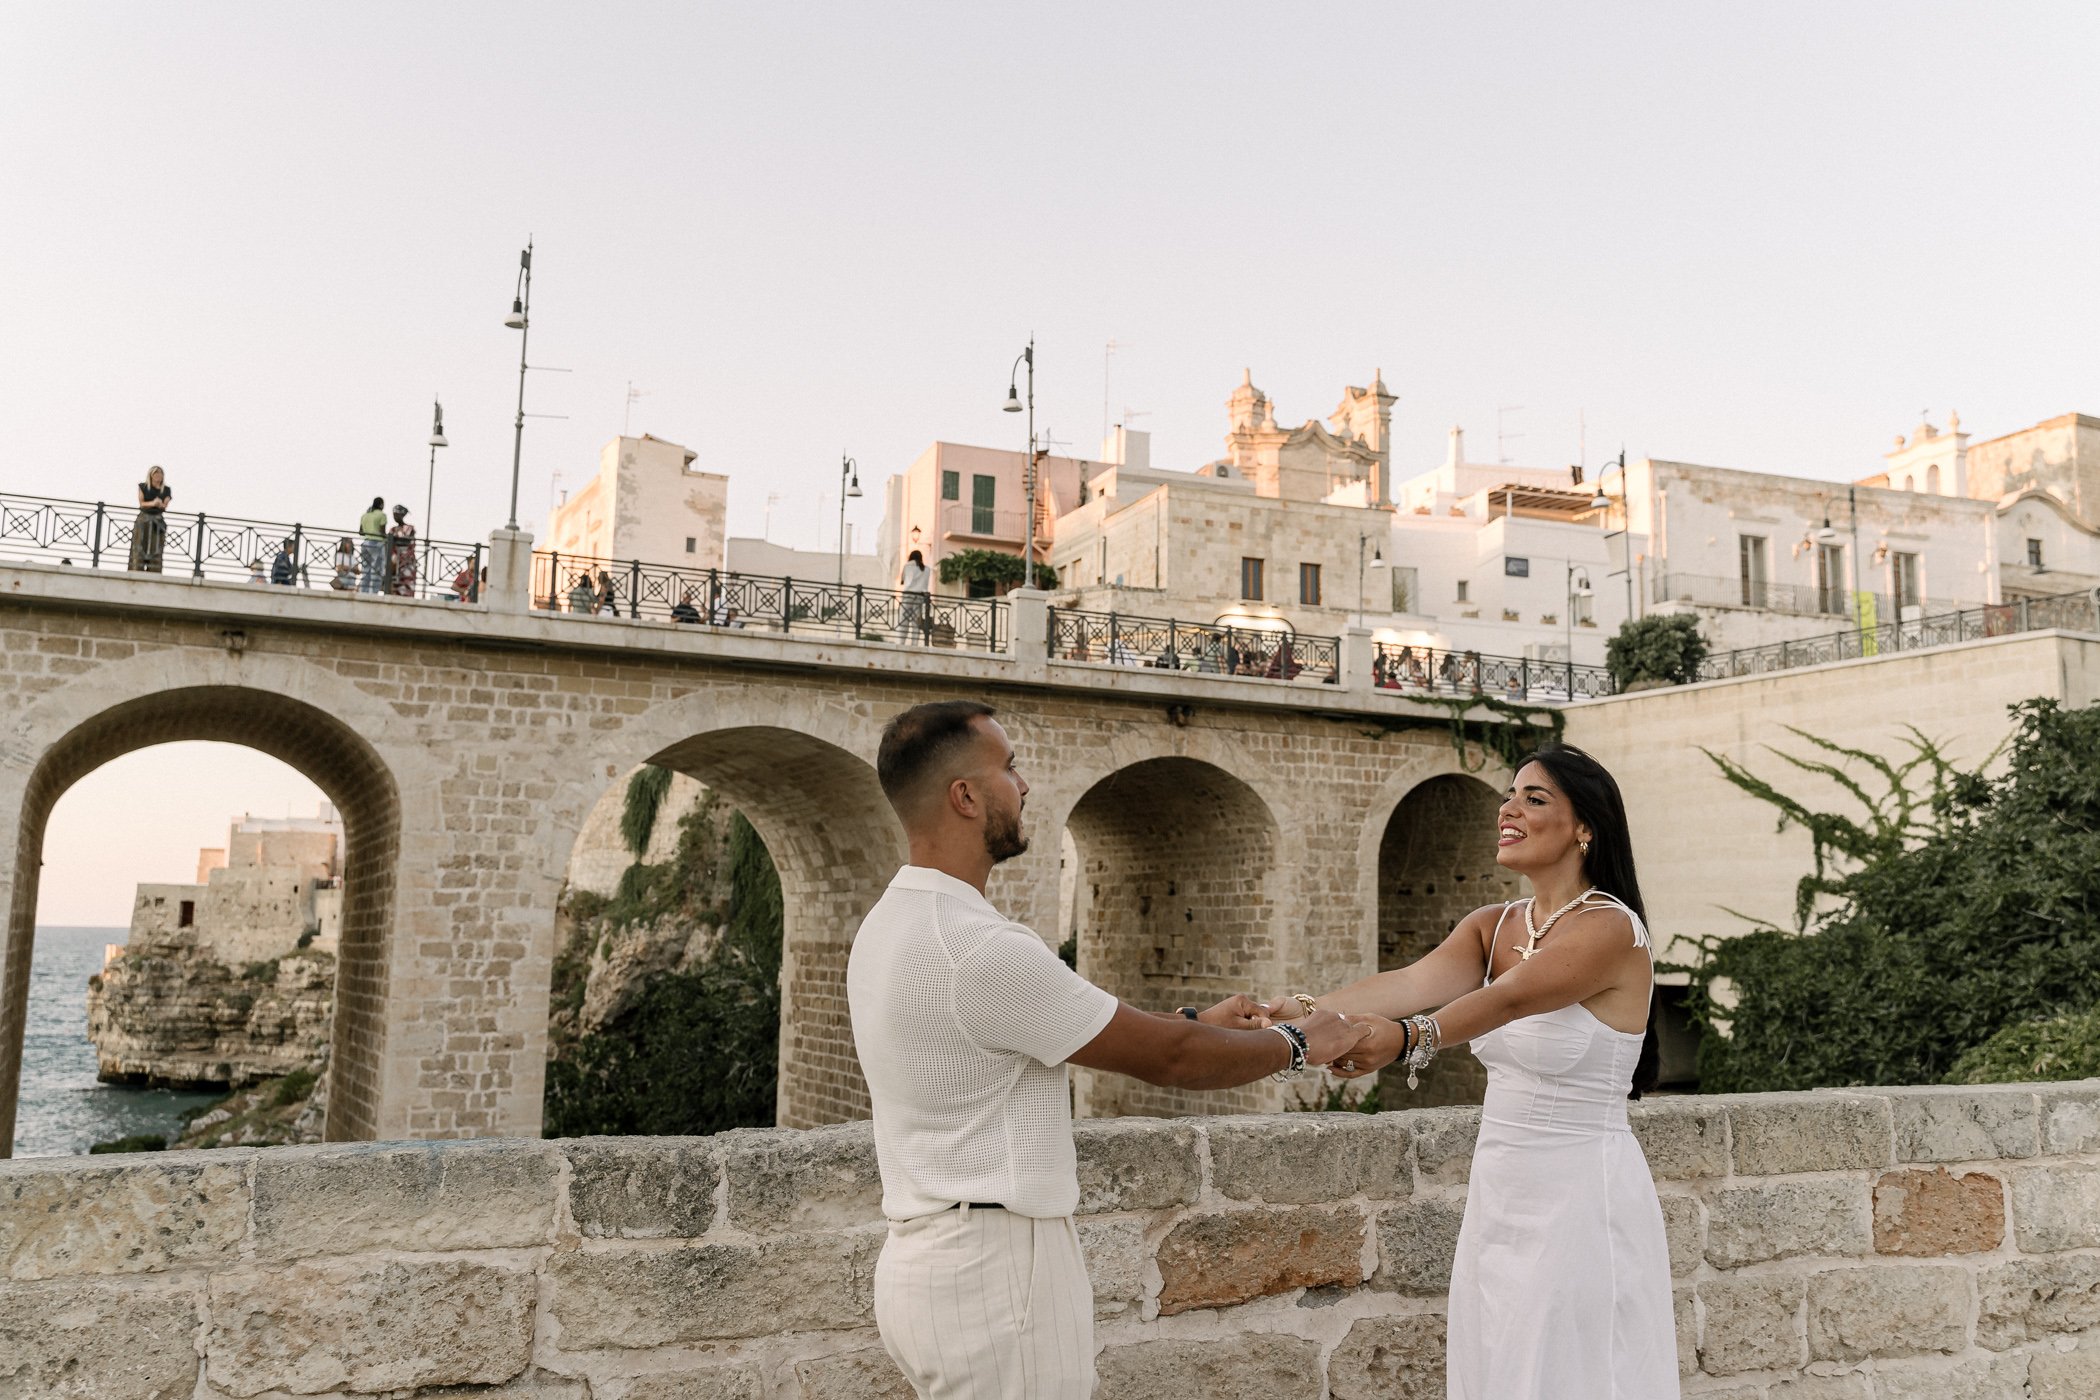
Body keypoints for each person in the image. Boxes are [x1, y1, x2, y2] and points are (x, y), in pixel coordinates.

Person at [849, 701, 1370, 1399]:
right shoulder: (981, 948)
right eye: (1008, 768)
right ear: (965, 797)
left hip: (926, 1265)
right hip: (998, 1273)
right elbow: (1172, 1059)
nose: (1025, 785)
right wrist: (1299, 1043)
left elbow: (1070, 1028)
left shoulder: (894, 923)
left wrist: (1195, 1017)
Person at [1264, 745, 1675, 1398]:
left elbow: (1510, 998)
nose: (1509, 809)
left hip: (1579, 1196)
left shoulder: (1609, 930)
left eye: (1534, 799)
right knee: (1499, 1365)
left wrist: (1408, 1041)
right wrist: (1290, 1015)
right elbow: (1407, 983)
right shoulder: (1494, 925)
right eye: (1509, 796)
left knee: (1568, 1371)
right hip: (1501, 1188)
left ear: (1586, 827)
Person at [127, 466, 171, 573]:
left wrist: (160, 504)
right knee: (139, 545)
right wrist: (153, 503)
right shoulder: (143, 487)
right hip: (144, 519)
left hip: (157, 521)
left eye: (160, 474)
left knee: (156, 547)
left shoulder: (166, 489)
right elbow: (141, 503)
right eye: (156, 474)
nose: (158, 476)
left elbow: (165, 505)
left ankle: (154, 570)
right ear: (151, 475)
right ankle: (136, 569)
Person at [898, 549, 931, 644]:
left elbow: (903, 580)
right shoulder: (927, 569)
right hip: (920, 597)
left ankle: (902, 642)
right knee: (916, 622)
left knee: (904, 620)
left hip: (908, 595)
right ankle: (914, 644)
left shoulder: (907, 566)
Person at [357, 497, 387, 594]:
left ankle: (363, 591)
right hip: (377, 543)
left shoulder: (365, 515)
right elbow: (382, 532)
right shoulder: (382, 515)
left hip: (365, 544)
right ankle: (373, 592)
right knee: (376, 570)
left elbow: (361, 532)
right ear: (381, 505)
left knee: (366, 569)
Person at [386, 505, 418, 597]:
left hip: (407, 561)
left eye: (396, 515)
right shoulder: (392, 529)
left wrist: (396, 541)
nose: (395, 517)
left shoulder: (410, 528)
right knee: (394, 586)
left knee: (407, 583)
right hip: (395, 561)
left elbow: (408, 541)